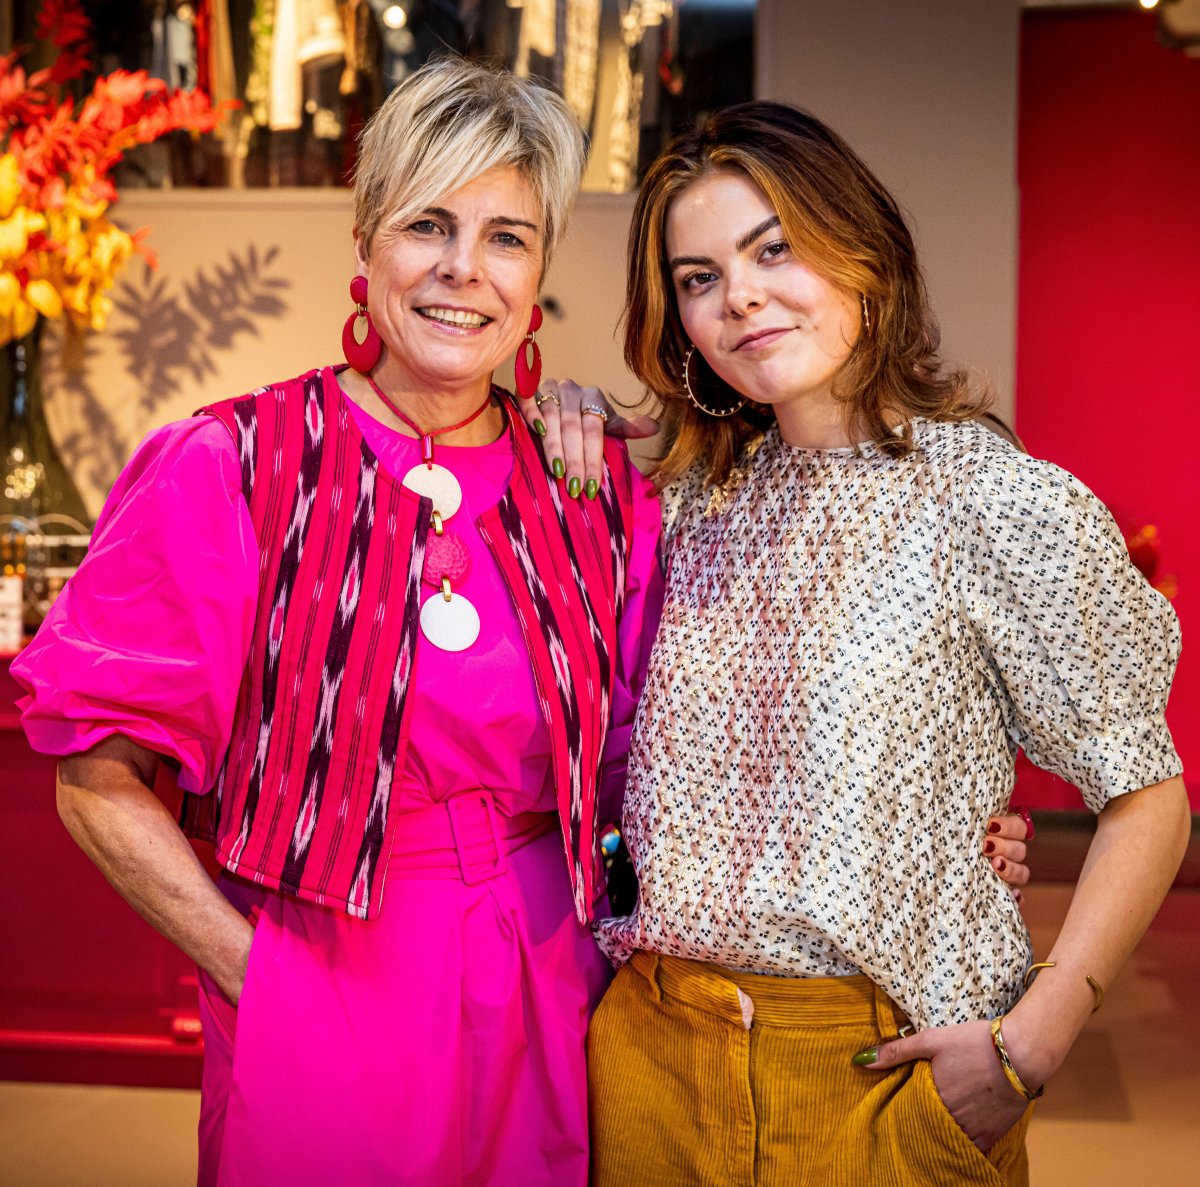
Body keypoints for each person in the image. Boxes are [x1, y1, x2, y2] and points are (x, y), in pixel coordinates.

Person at [11, 58, 666, 1187]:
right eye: (428, 225)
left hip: (554, 973)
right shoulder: (233, 465)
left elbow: (652, 756)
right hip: (326, 965)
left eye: (508, 236)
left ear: (542, 269)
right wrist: (257, 977)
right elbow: (94, 776)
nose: (466, 270)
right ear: (366, 246)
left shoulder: (589, 480)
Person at [527, 101, 1187, 1186]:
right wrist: (567, 412)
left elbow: (1145, 793)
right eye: (698, 277)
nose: (738, 296)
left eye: (773, 248)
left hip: (874, 1075)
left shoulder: (993, 501)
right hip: (648, 1061)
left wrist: (1038, 1035)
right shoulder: (685, 505)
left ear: (864, 254)